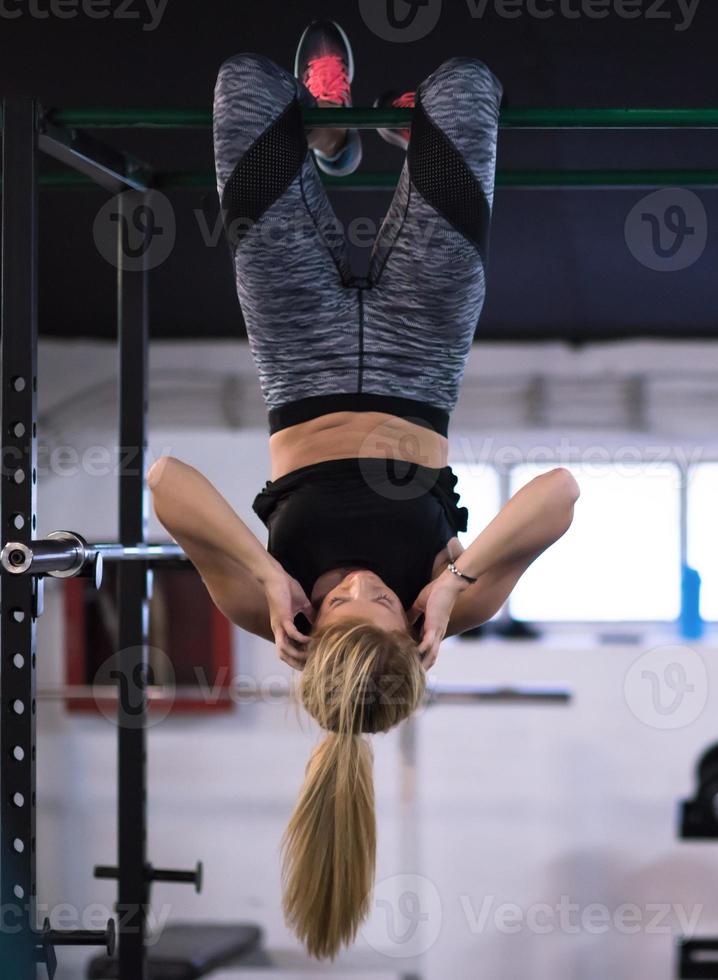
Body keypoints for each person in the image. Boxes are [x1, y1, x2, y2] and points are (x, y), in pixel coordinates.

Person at [146, 22, 578, 959]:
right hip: (423, 351)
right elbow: (560, 492)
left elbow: (164, 481)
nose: (356, 588)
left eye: (344, 602)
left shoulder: (274, 612)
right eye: (380, 601)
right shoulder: (448, 611)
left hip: (295, 357)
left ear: (313, 641)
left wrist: (263, 574)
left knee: (245, 82)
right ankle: (388, 143)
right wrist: (457, 582)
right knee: (467, 83)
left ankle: (329, 142)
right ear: (414, 644)